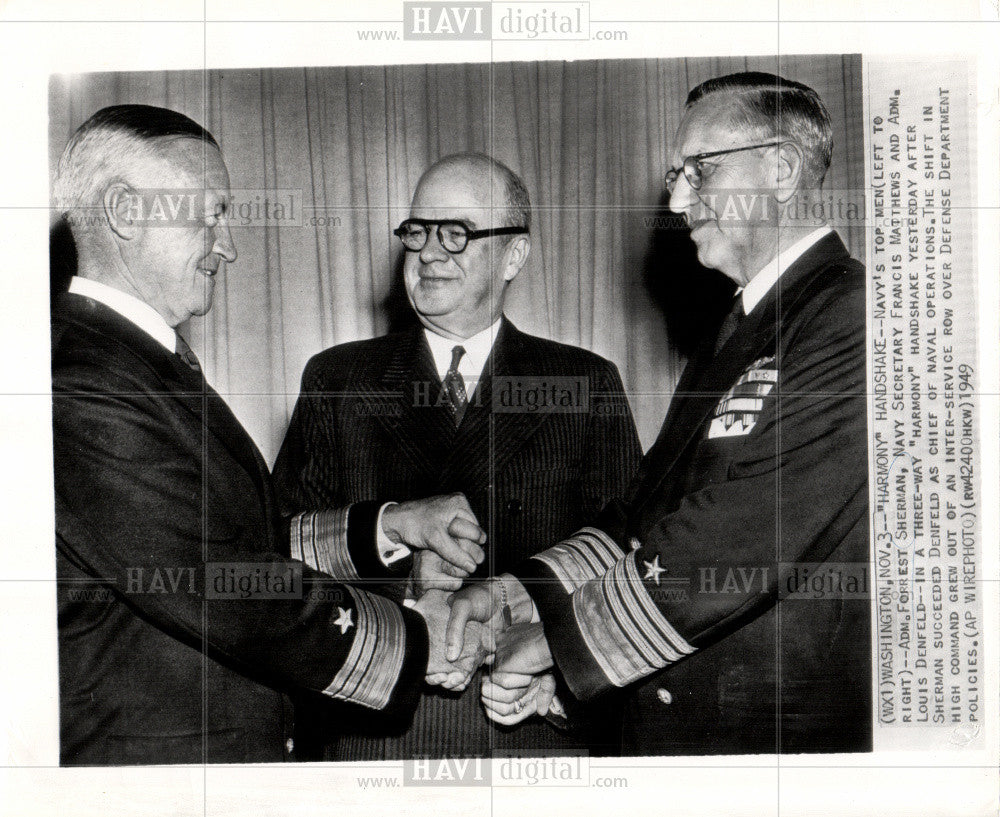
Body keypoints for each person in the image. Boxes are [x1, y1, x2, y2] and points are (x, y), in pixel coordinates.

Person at [446, 72, 872, 756]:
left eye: (699, 171)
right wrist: (516, 595)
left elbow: (735, 537)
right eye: (677, 175)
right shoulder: (734, 330)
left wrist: (559, 643)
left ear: (783, 169)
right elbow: (645, 513)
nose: (676, 200)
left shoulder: (853, 316)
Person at [51, 104, 490, 766]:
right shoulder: (82, 380)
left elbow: (233, 538)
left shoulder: (132, 358)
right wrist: (416, 637)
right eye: (211, 213)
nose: (226, 244)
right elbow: (216, 576)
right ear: (125, 211)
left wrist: (394, 525)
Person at [272, 153, 642, 759]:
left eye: (458, 233)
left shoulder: (583, 380)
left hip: (526, 720)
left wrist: (555, 674)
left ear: (514, 256)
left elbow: (627, 547)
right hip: (373, 724)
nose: (429, 254)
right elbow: (282, 546)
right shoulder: (338, 378)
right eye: (417, 232)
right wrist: (400, 564)